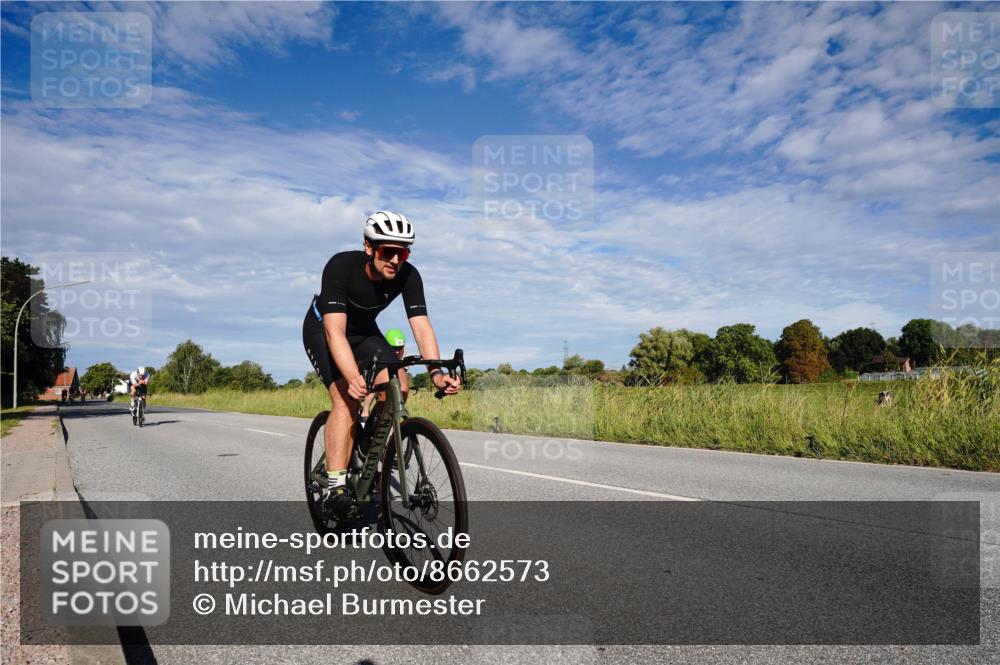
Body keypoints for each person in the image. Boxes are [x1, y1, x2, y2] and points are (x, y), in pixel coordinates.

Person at [302, 211, 461, 519]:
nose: (395, 260)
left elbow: (421, 326)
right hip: (324, 330)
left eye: (402, 252)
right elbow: (335, 333)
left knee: (399, 387)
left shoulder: (408, 275)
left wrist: (437, 373)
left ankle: (364, 450)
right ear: (369, 247)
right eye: (388, 251)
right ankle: (335, 488)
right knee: (346, 400)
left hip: (364, 332)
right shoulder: (340, 267)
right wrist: (351, 376)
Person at [360, 328, 409, 422]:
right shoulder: (379, 350)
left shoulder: (403, 352)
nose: (397, 352)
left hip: (394, 366)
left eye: (400, 348)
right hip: (376, 365)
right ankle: (365, 411)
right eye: (394, 348)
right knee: (376, 386)